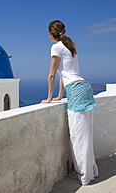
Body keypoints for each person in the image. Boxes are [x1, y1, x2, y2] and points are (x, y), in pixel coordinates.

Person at [41, 20, 99, 185]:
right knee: (86, 133)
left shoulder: (56, 47)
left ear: (50, 34)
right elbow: (64, 73)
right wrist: (60, 95)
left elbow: (52, 74)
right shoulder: (69, 46)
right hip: (84, 87)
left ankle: (84, 175)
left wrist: (49, 98)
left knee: (78, 135)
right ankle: (91, 170)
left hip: (75, 91)